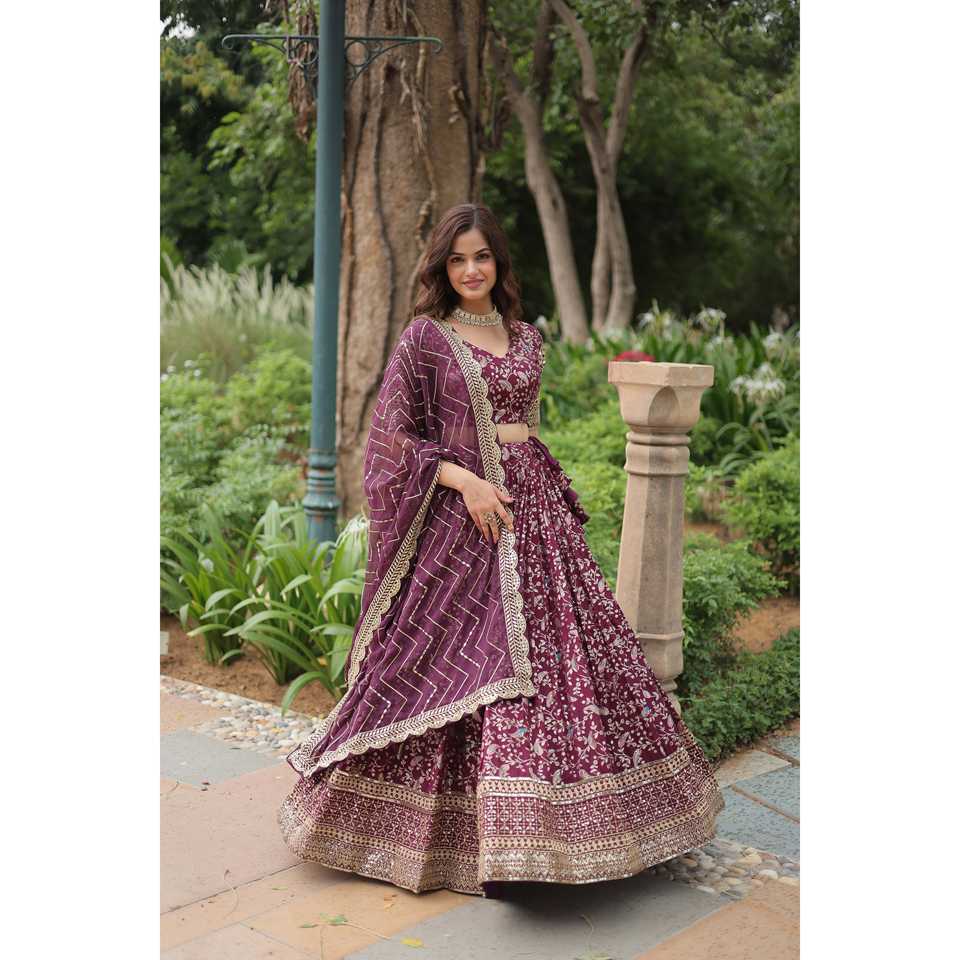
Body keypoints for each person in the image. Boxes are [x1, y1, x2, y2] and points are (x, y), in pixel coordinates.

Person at [277, 202, 724, 899]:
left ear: (499, 262)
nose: (470, 270)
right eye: (457, 259)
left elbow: (525, 429)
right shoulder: (425, 339)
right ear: (442, 267)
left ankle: (550, 838)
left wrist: (528, 490)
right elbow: (390, 439)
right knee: (463, 657)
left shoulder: (528, 338)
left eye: (481, 256)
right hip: (463, 522)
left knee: (556, 658)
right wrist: (464, 482)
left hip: (534, 514)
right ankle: (481, 842)